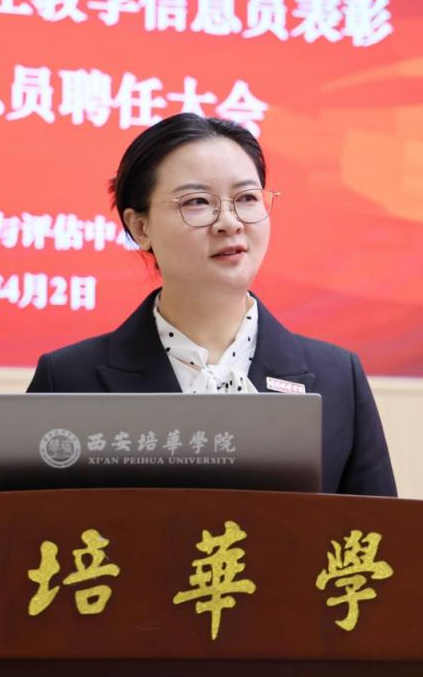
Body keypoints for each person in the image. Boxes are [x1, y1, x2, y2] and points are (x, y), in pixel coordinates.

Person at [27, 113, 396, 497]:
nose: (229, 222)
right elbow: (18, 528)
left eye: (247, 198)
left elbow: (377, 530)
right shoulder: (67, 381)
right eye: (198, 202)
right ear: (140, 227)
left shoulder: (337, 377)